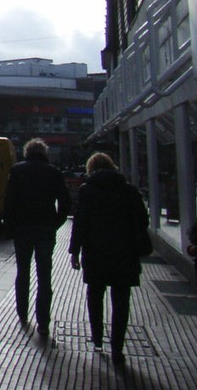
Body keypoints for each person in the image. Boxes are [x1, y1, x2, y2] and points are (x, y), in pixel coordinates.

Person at [69, 152, 149, 367]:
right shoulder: (129, 191)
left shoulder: (87, 191)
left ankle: (97, 338)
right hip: (124, 253)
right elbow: (142, 220)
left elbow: (80, 223)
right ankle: (117, 347)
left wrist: (74, 251)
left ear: (90, 169)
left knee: (95, 294)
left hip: (96, 253)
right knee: (121, 300)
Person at [4, 137, 71, 336]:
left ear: (26, 152)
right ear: (44, 153)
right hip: (44, 230)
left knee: (22, 272)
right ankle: (43, 320)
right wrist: (54, 224)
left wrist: (11, 227)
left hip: (22, 229)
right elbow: (65, 203)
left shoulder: (17, 171)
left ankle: (22, 313)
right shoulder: (53, 172)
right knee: (44, 276)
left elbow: (9, 202)